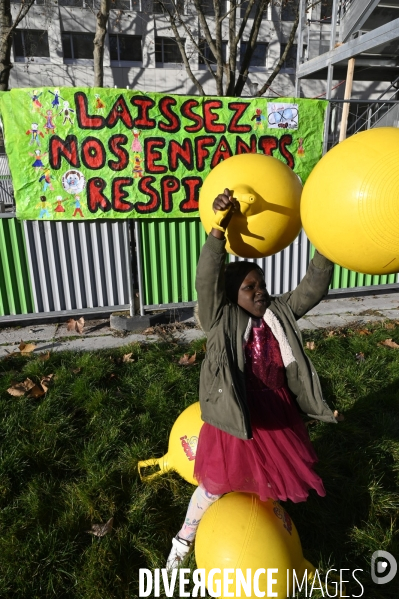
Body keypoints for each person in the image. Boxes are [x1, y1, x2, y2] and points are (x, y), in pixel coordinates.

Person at [166, 188, 342, 570]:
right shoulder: (219, 318)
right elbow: (207, 280)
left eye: (261, 285)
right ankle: (184, 538)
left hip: (276, 412)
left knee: (271, 483)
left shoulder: (278, 311)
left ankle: (266, 542)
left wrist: (326, 244)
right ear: (231, 296)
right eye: (250, 288)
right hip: (237, 415)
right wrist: (217, 234)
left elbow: (312, 288)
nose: (260, 293)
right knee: (214, 486)